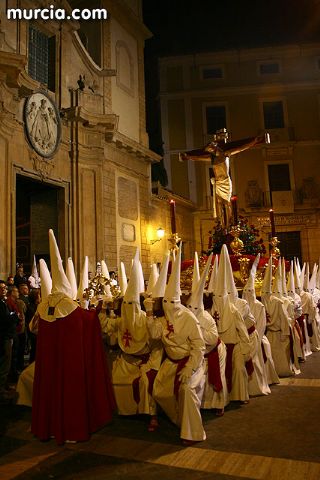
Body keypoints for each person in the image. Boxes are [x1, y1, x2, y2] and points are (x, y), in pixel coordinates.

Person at [31, 230, 115, 444]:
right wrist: (96, 309)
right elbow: (87, 322)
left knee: (48, 389)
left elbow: (35, 328)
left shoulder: (43, 306)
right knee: (70, 394)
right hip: (70, 363)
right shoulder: (69, 305)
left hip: (48, 363)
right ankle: (70, 430)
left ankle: (47, 429)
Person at [146, 247, 206, 445]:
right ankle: (179, 419)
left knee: (187, 391)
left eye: (173, 302)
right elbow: (155, 334)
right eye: (166, 302)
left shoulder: (188, 318)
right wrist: (149, 314)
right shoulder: (162, 319)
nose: (170, 305)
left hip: (190, 362)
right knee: (159, 392)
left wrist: (191, 367)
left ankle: (192, 433)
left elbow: (199, 345)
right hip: (170, 363)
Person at [100, 253, 163, 432]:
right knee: (115, 378)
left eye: (131, 305)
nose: (128, 309)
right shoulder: (121, 320)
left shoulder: (145, 318)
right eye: (125, 305)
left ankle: (152, 414)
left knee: (146, 382)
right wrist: (105, 309)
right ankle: (125, 410)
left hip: (146, 360)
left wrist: (150, 314)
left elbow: (156, 338)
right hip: (127, 359)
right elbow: (105, 327)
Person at [179, 131, 268, 228]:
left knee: (227, 203)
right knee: (219, 204)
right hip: (218, 183)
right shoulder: (211, 158)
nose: (210, 151)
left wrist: (254, 142)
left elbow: (241, 148)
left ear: (215, 148)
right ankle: (222, 224)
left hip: (225, 182)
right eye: (209, 150)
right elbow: (198, 158)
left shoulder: (226, 154)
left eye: (211, 149)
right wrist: (188, 157)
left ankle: (229, 222)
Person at [187, 254, 228, 415]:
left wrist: (198, 331)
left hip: (214, 351)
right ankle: (204, 404)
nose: (193, 311)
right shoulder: (187, 316)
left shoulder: (207, 318)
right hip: (199, 353)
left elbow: (212, 338)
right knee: (199, 379)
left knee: (217, 377)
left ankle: (220, 404)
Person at [0, 280, 18, 401]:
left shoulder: (3, 302)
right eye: (2, 288)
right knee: (4, 364)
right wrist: (14, 316)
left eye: (5, 288)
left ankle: (3, 387)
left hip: (6, 336)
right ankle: (1, 392)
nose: (4, 290)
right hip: (3, 337)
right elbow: (5, 319)